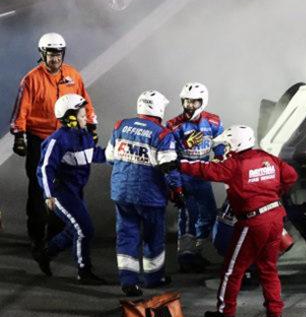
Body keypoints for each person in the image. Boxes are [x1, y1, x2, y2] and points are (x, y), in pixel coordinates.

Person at [171, 125, 297, 317]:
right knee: (268, 268)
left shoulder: (235, 164)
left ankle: (225, 313)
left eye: (229, 143)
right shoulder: (269, 158)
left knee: (232, 270)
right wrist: (273, 192)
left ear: (237, 143)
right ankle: (275, 314)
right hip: (275, 219)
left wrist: (179, 164)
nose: (227, 148)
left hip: (253, 222)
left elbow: (206, 170)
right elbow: (291, 176)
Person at [9, 33, 98, 253]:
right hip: (40, 140)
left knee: (66, 187)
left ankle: (57, 235)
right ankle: (36, 236)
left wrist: (91, 127)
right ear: (42, 55)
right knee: (39, 189)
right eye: (50, 55)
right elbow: (22, 109)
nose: (55, 59)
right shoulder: (31, 79)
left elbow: (84, 103)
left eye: (58, 54)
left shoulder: (73, 76)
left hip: (66, 140)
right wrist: (19, 135)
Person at [106, 91, 183, 297]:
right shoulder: (162, 134)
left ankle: (128, 281)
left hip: (121, 192)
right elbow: (169, 167)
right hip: (150, 195)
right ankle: (153, 278)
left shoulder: (120, 126)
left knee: (127, 236)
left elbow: (110, 157)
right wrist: (177, 191)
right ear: (158, 109)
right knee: (153, 237)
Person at [32, 95, 107, 284]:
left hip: (75, 191)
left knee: (75, 228)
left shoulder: (85, 136)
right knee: (84, 229)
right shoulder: (57, 140)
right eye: (82, 115)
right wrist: (48, 195)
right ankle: (84, 271)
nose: (86, 118)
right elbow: (44, 168)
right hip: (60, 193)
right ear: (70, 118)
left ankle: (45, 253)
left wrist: (117, 154)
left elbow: (94, 155)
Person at [166, 82, 225, 272]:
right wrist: (184, 143)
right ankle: (186, 256)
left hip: (203, 173)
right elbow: (165, 153)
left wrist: (219, 158)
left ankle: (196, 252)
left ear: (203, 102)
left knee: (208, 214)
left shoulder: (214, 121)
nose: (189, 106)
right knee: (188, 214)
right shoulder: (173, 125)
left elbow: (220, 145)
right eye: (186, 101)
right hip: (183, 174)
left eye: (194, 102)